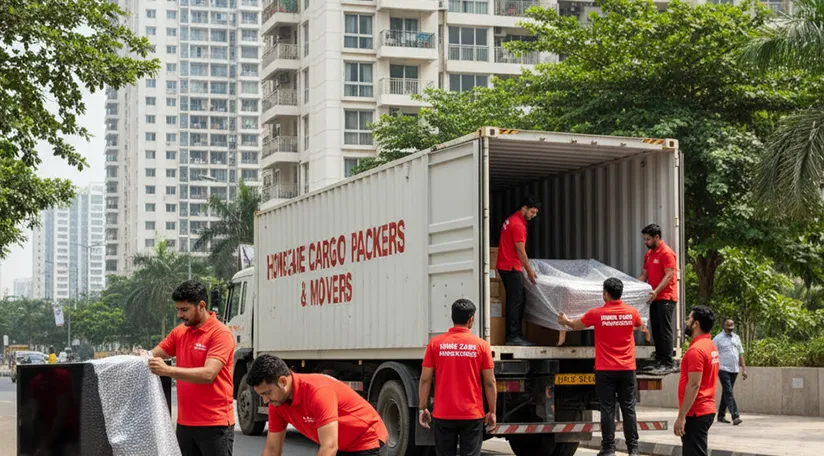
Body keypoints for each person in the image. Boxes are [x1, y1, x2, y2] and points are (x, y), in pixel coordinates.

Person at [559, 278, 647, 456]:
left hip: (605, 369)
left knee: (607, 409)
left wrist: (565, 320)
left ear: (606, 294)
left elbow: (576, 325)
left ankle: (608, 449)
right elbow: (641, 326)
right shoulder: (632, 313)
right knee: (629, 409)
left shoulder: (597, 314)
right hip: (627, 369)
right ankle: (633, 449)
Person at [149, 280, 236, 456]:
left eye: (184, 309)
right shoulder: (179, 332)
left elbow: (208, 374)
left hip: (215, 423)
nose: (180, 315)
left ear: (201, 306)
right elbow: (151, 356)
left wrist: (167, 370)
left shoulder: (220, 333)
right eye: (178, 309)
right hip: (185, 424)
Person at [246, 355, 388, 456]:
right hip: (340, 445)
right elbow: (272, 449)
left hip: (366, 441)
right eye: (261, 395)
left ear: (283, 382)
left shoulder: (317, 392)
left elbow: (329, 447)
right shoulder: (277, 403)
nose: (266, 400)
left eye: (267, 393)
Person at [418, 299, 497, 456]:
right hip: (472, 414)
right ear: (471, 320)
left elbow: (425, 379)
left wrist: (423, 407)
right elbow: (489, 382)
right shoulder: (481, 345)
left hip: (443, 414)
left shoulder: (435, 344)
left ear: (452, 317)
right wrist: (492, 411)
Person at [674, 306, 720, 456]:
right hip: (705, 409)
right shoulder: (710, 345)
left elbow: (694, 385)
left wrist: (681, 417)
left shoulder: (696, 350)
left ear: (696, 324)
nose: (687, 322)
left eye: (689, 319)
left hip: (696, 411)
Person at [496, 196, 541, 346]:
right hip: (511, 267)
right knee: (516, 301)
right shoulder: (518, 225)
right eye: (532, 212)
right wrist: (529, 271)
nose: (534, 216)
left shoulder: (512, 220)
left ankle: (516, 334)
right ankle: (513, 336)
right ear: (524, 208)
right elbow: (521, 251)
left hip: (506, 265)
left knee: (517, 300)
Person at [639, 223, 679, 373]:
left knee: (664, 329)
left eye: (647, 239)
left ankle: (667, 362)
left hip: (666, 297)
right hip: (654, 297)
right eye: (644, 239)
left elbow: (669, 275)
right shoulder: (649, 254)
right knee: (656, 328)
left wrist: (656, 291)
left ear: (657, 237)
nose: (645, 242)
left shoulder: (667, 253)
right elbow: (644, 275)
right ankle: (659, 359)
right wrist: (634, 288)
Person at [713, 319, 747, 426]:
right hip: (722, 368)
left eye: (731, 327)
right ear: (723, 326)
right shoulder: (718, 338)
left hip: (734, 369)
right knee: (729, 391)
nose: (730, 329)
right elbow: (712, 354)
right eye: (728, 327)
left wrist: (744, 369)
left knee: (727, 392)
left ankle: (721, 415)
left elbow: (740, 354)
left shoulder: (736, 338)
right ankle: (735, 416)